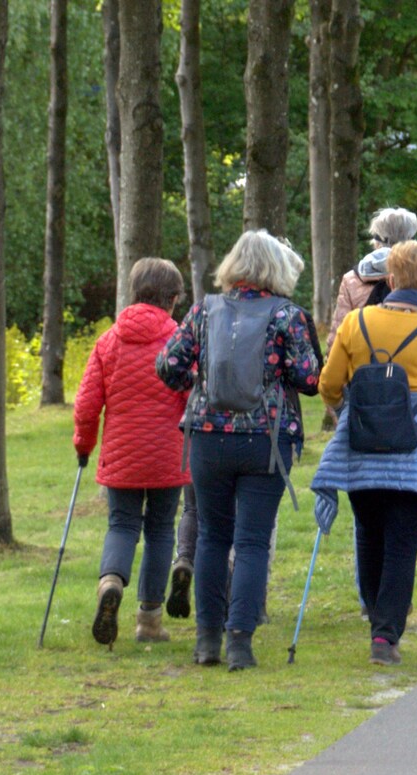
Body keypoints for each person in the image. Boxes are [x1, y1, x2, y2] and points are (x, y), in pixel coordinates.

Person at [157, 230, 320, 671]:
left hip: (208, 437)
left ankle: (206, 640)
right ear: (276, 269)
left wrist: (200, 384)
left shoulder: (203, 311)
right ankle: (240, 643)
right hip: (265, 441)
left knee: (211, 537)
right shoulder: (287, 315)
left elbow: (167, 365)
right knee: (251, 542)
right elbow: (309, 379)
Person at [313, 240, 417, 666]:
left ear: (392, 279)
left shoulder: (357, 322)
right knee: (403, 541)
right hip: (414, 454)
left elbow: (328, 385)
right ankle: (385, 636)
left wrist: (351, 407)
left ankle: (375, 615)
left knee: (368, 530)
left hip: (361, 448)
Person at [73, 258, 190, 650]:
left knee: (122, 525)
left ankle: (110, 582)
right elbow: (192, 396)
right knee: (159, 531)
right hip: (166, 456)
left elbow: (88, 404)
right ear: (172, 299)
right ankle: (149, 620)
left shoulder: (109, 340)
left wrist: (83, 444)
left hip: (121, 453)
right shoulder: (179, 339)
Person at [328, 207, 417, 444]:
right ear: (412, 238)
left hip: (365, 404)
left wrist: (339, 410)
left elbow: (336, 347)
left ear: (377, 241)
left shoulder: (353, 281)